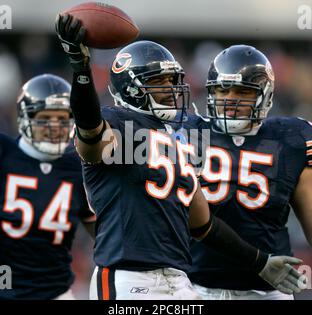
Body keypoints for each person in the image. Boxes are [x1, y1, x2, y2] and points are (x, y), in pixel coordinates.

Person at [55, 14, 306, 300]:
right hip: (129, 277)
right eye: (159, 82)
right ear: (132, 88)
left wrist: (259, 262)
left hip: (178, 280)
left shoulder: (181, 135)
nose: (172, 89)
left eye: (172, 80)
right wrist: (81, 69)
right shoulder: (118, 123)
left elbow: (204, 224)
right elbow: (90, 134)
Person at [186, 44, 312, 300]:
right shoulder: (186, 133)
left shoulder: (291, 138)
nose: (230, 99)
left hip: (268, 291)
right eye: (222, 90)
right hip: (193, 287)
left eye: (242, 91)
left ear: (264, 95)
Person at [0, 74, 95, 300]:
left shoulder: (77, 166)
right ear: (26, 118)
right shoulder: (4, 154)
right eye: (46, 118)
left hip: (55, 289)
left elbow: (101, 231)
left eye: (62, 118)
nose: (55, 127)